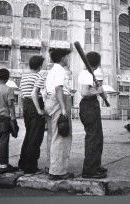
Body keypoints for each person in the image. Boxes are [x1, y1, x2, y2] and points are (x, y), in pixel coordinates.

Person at [44, 48, 74, 181]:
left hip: (51, 101)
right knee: (62, 136)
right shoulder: (60, 70)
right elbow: (58, 88)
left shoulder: (52, 70)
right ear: (62, 58)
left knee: (52, 135)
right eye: (67, 57)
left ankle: (51, 166)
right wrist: (63, 109)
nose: (68, 59)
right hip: (59, 102)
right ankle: (57, 172)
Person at [78, 51, 107, 179]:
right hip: (89, 106)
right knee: (93, 139)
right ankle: (89, 170)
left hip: (89, 106)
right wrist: (98, 91)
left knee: (97, 138)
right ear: (97, 63)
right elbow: (84, 92)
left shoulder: (87, 73)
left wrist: (97, 90)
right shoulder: (87, 74)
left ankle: (95, 166)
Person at [18, 55, 46, 174]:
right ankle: (31, 167)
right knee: (36, 137)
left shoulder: (24, 76)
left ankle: (23, 163)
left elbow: (21, 94)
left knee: (29, 135)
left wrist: (23, 108)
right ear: (40, 66)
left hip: (26, 106)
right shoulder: (38, 76)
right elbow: (35, 94)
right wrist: (39, 110)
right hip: (35, 105)